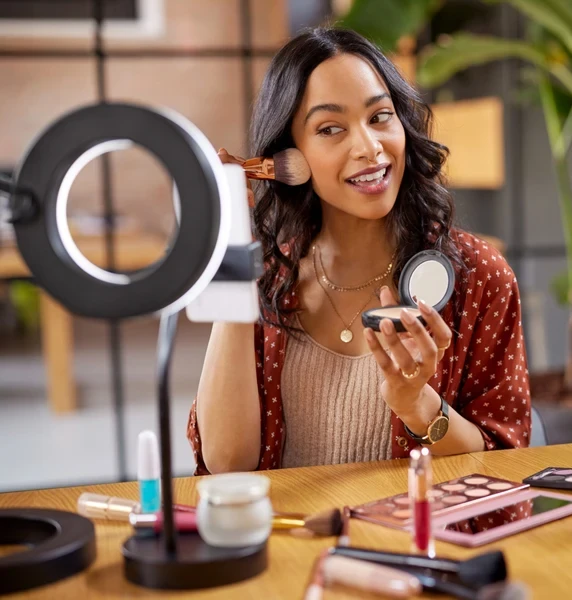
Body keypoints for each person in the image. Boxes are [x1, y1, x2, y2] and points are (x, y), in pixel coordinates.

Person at [187, 27, 531, 475]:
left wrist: (417, 406)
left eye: (379, 116)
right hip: (290, 540)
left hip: (418, 543)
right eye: (330, 128)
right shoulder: (265, 276)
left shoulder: (479, 277)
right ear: (289, 156)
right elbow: (228, 466)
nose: (368, 148)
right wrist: (234, 257)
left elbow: (507, 461)